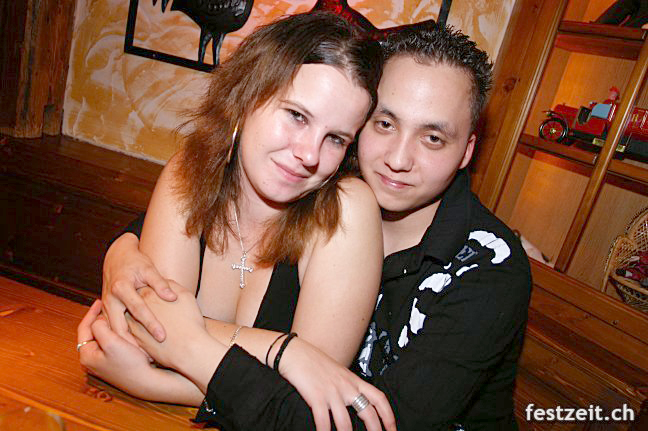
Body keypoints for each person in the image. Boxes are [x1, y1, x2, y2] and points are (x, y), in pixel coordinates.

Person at [95, 24, 532, 430]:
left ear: (466, 151)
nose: (398, 159)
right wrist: (123, 249)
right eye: (384, 124)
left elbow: (346, 421)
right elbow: (207, 210)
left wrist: (159, 375)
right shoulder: (320, 177)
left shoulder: (487, 272)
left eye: (433, 138)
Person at [77, 11, 397, 431]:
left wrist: (151, 382)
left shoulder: (346, 211)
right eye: (297, 115)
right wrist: (284, 352)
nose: (310, 154)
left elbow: (304, 406)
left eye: (336, 138)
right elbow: (155, 333)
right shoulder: (189, 172)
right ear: (247, 96)